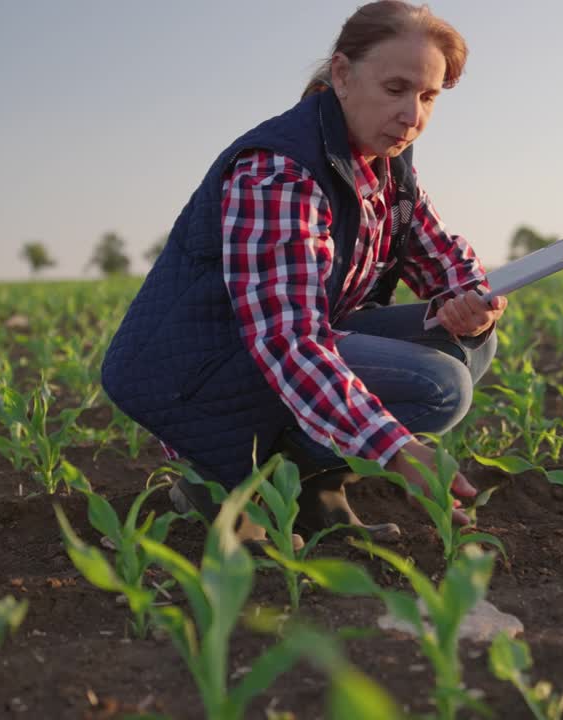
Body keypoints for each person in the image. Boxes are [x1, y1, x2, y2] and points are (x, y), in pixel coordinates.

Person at [100, 0, 506, 543]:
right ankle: (222, 481)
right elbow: (288, 342)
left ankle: (312, 492)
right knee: (439, 384)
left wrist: (471, 303)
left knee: (471, 344)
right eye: (395, 89)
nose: (413, 115)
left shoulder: (386, 164)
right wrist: (397, 451)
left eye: (428, 96)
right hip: (205, 372)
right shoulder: (280, 173)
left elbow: (441, 253)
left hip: (284, 349)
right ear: (342, 74)